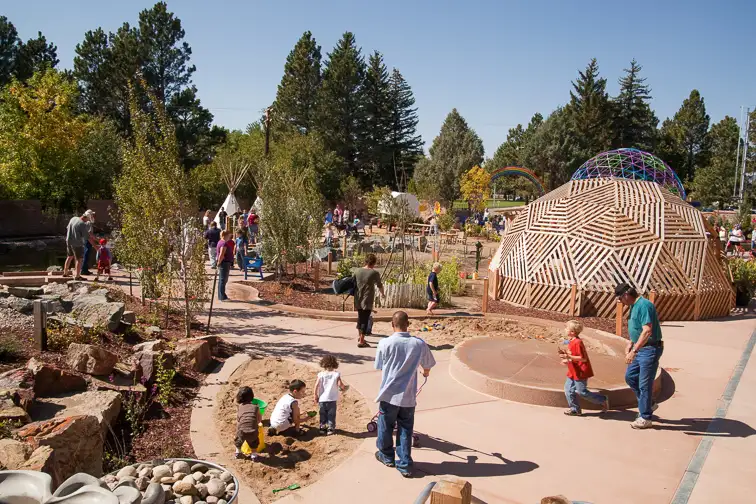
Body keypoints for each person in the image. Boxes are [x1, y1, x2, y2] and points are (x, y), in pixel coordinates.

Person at [374, 311, 436, 478]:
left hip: (389, 395)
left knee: (385, 426)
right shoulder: (418, 344)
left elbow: (379, 365)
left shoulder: (384, 343)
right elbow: (428, 364)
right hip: (408, 397)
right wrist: (425, 371)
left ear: (392, 325)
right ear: (408, 324)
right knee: (405, 429)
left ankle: (386, 456)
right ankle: (405, 464)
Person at [616, 282, 663, 429]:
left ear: (626, 295)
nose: (619, 302)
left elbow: (647, 330)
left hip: (649, 349)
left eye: (619, 298)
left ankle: (645, 417)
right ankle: (648, 404)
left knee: (644, 384)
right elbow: (637, 328)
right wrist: (631, 342)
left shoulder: (644, 305)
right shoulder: (633, 306)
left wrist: (634, 351)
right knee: (630, 377)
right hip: (640, 348)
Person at [559, 320, 609, 416]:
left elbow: (583, 358)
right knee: (568, 389)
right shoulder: (571, 340)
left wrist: (568, 357)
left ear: (572, 332)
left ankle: (602, 400)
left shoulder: (577, 342)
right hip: (573, 369)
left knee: (582, 392)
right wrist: (567, 359)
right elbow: (573, 355)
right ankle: (575, 409)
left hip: (581, 371)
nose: (565, 329)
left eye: (567, 328)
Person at [354, 254, 385, 348]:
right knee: (365, 320)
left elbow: (353, 283)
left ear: (365, 261)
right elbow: (379, 285)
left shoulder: (357, 271)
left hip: (358, 298)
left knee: (360, 318)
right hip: (367, 299)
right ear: (374, 262)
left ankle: (360, 337)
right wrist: (382, 294)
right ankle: (362, 341)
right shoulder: (374, 273)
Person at [314, 355, 347, 436]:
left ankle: (322, 428)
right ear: (335, 364)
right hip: (332, 399)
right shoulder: (336, 374)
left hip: (322, 399)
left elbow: (316, 385)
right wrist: (344, 388)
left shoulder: (320, 374)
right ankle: (330, 428)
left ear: (323, 364)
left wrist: (315, 395)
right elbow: (340, 385)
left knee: (322, 414)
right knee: (331, 415)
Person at [63, 212, 98, 279]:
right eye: (88, 219)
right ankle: (77, 276)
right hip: (77, 243)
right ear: (87, 218)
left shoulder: (73, 218)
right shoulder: (82, 224)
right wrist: (96, 247)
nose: (88, 221)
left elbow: (68, 228)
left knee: (69, 256)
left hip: (68, 241)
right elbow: (88, 237)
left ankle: (65, 273)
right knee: (79, 259)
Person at [234, 386, 262, 460]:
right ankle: (254, 455)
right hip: (252, 432)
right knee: (254, 443)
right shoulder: (256, 407)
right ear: (252, 396)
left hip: (241, 432)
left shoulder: (240, 407)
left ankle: (237, 452)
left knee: (238, 441)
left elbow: (238, 420)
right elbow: (259, 420)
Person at [216, 230, 235, 301]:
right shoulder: (223, 243)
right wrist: (218, 263)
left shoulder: (221, 242)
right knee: (223, 280)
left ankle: (222, 295)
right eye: (229, 235)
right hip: (224, 263)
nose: (229, 237)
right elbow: (221, 254)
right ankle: (222, 297)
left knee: (222, 280)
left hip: (225, 263)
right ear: (225, 236)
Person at [80, 210, 97, 276]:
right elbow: (90, 234)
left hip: (84, 240)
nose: (93, 216)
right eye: (92, 215)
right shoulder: (88, 223)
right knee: (86, 255)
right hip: (87, 240)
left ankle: (84, 269)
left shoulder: (85, 222)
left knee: (85, 254)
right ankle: (84, 270)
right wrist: (96, 240)